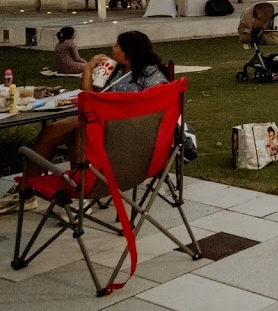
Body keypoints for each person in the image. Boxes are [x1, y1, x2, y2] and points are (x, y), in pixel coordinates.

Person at [0, 31, 169, 213]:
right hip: (99, 122)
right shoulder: (117, 70)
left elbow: (154, 108)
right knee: (55, 130)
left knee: (77, 131)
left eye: (116, 45)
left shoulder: (150, 74)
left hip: (123, 133)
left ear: (129, 51)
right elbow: (89, 98)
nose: (112, 48)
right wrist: (88, 69)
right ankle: (27, 191)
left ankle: (74, 193)